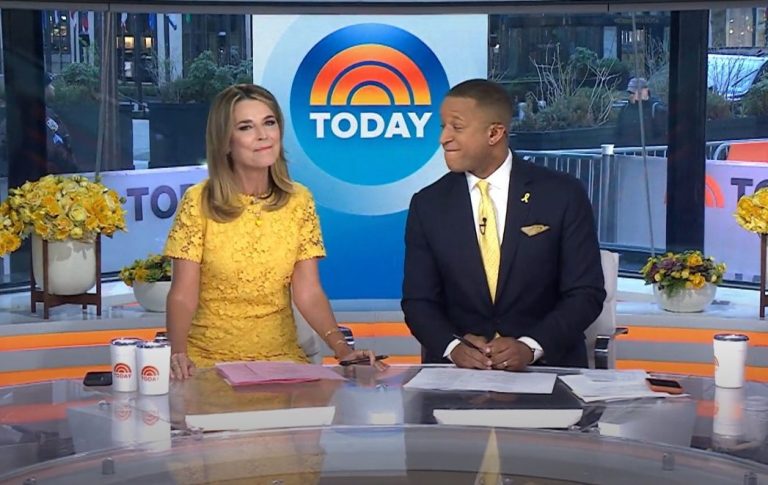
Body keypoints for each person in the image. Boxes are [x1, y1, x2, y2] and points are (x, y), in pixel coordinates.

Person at [164, 84, 386, 379]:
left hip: (281, 362)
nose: (263, 135)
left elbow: (308, 292)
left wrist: (343, 350)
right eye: (246, 127)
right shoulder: (198, 201)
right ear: (225, 142)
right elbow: (183, 294)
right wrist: (178, 354)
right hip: (209, 362)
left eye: (269, 123)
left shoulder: (299, 201)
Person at [401, 79, 606, 370]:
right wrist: (453, 348)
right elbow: (418, 302)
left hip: (547, 369)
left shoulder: (562, 194)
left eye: (457, 127)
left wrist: (531, 346)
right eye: (443, 127)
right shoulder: (428, 204)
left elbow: (586, 293)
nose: (444, 138)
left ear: (494, 133)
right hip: (458, 377)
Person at [615, 77, 667, 146]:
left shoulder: (657, 109)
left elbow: (663, 137)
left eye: (633, 92)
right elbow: (618, 134)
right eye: (630, 92)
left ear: (645, 90)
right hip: (627, 150)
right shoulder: (625, 109)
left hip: (650, 151)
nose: (631, 95)